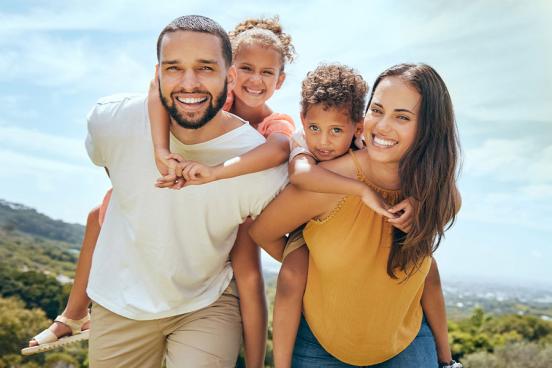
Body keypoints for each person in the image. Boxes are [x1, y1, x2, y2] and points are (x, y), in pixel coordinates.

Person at [73, 15, 287, 368]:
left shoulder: (260, 162)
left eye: (204, 68)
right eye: (174, 68)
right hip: (122, 300)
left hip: (206, 303)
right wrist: (157, 155)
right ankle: (72, 313)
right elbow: (113, 171)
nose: (189, 83)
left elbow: (267, 256)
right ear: (158, 74)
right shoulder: (110, 121)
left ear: (227, 76)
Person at [251, 63, 462, 367]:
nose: (383, 126)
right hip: (322, 350)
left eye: (402, 116)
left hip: (408, 344)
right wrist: (309, 267)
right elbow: (262, 232)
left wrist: (421, 202)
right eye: (377, 110)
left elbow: (451, 201)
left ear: (430, 127)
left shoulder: (433, 188)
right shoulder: (328, 182)